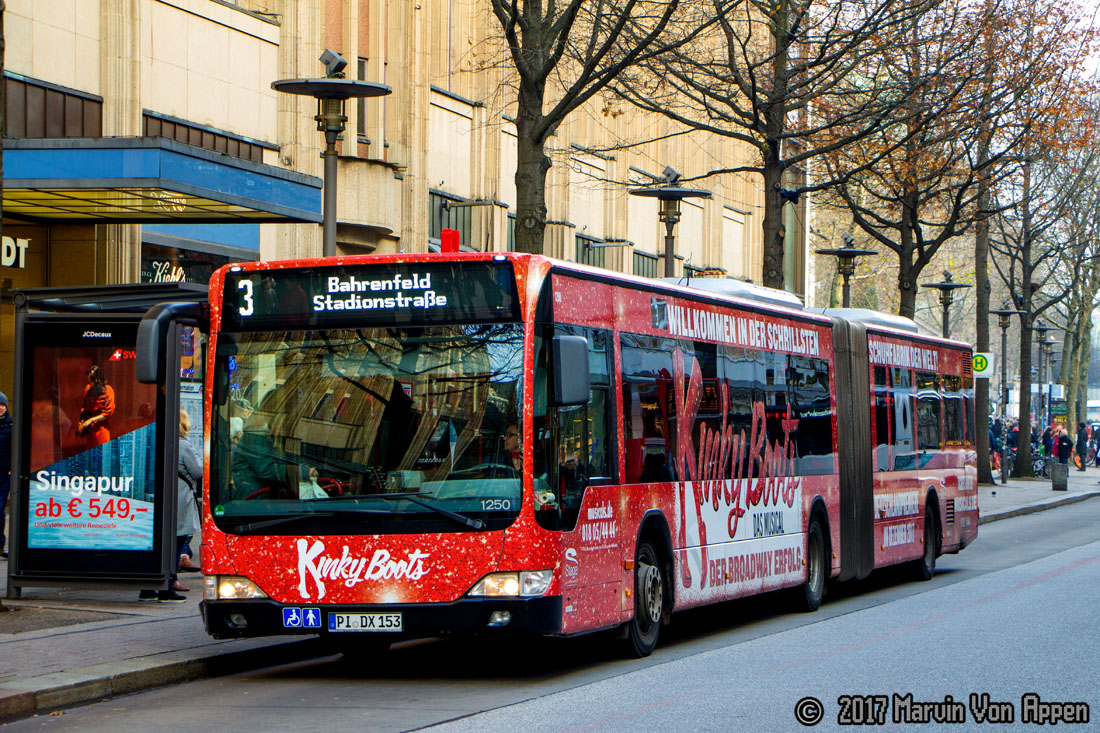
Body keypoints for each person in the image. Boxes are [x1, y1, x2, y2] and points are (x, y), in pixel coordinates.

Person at [77, 365, 115, 447]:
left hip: (101, 427)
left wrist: (90, 420)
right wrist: (81, 422)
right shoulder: (88, 388)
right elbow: (84, 406)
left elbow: (108, 413)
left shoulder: (108, 390)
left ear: (97, 380)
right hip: (90, 428)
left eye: (91, 381)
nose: (89, 383)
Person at [0, 392, 11, 558]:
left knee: (0, 510)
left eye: (3, 405)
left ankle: (0, 545)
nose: (1, 408)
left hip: (4, 474)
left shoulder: (11, 426)